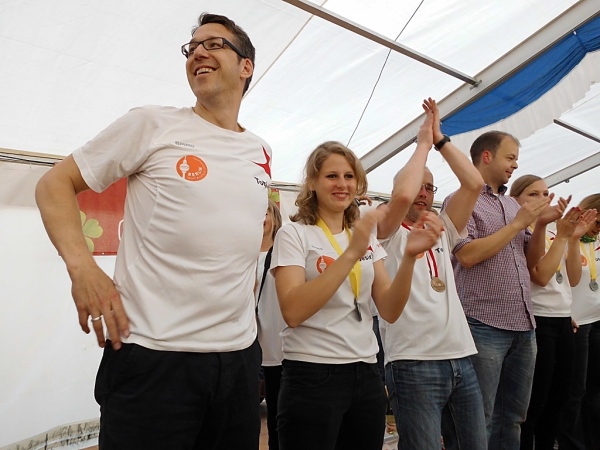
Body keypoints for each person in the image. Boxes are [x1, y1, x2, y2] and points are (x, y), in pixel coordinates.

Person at [35, 13, 269, 450]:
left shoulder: (260, 150)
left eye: (213, 44)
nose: (197, 52)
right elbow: (53, 184)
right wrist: (82, 267)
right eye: (192, 47)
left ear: (246, 66)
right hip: (155, 358)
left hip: (238, 360)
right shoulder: (152, 124)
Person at [271, 107, 443, 450]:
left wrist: (409, 258)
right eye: (331, 176)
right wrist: (351, 253)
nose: (342, 184)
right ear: (312, 183)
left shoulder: (361, 233)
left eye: (349, 176)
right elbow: (293, 311)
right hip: (312, 372)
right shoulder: (294, 234)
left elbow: (389, 309)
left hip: (365, 371)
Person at [443, 130, 565, 449]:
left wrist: (540, 224)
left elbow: (531, 262)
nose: (515, 165)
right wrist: (516, 225)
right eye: (510, 157)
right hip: (483, 323)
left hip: (523, 325)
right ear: (487, 156)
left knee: (512, 417)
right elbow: (466, 255)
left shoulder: (511, 205)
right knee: (477, 417)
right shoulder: (461, 200)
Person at [377, 98, 486, 449]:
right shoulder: (385, 232)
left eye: (430, 188)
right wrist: (422, 145)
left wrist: (440, 140)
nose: (423, 194)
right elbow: (403, 195)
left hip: (460, 355)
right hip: (413, 361)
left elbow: (474, 184)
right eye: (418, 186)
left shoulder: (442, 228)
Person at [510, 175, 596, 449]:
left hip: (562, 319)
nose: (543, 199)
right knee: (536, 402)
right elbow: (541, 276)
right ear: (515, 200)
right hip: (538, 320)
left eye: (545, 194)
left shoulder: (550, 232)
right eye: (533, 194)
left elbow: (573, 279)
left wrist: (572, 239)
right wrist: (562, 236)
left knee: (560, 398)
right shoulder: (522, 232)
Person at [563, 194, 600, 450]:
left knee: (595, 389)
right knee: (575, 390)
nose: (598, 228)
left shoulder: (598, 241)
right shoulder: (566, 238)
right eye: (597, 221)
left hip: (597, 320)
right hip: (577, 323)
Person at [256, 199, 285, 450]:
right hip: (250, 346)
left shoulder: (285, 254)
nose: (260, 219)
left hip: (279, 347)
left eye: (264, 213)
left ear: (275, 218)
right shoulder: (243, 254)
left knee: (279, 413)